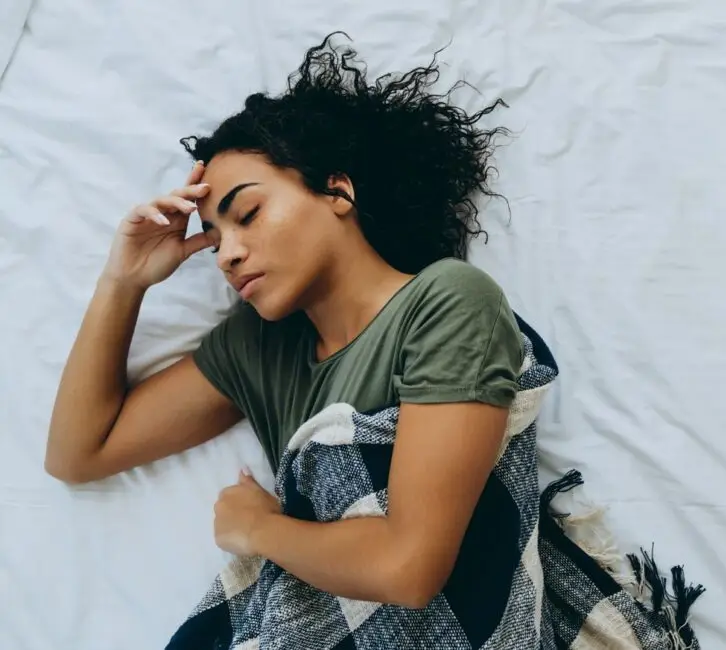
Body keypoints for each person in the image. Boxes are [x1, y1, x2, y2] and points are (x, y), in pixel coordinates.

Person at [45, 34, 523, 610]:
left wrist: (257, 529)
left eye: (247, 214)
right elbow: (77, 455)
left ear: (337, 191)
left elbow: (410, 570)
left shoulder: (447, 301)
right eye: (215, 239)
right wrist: (123, 283)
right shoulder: (261, 347)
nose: (227, 254)